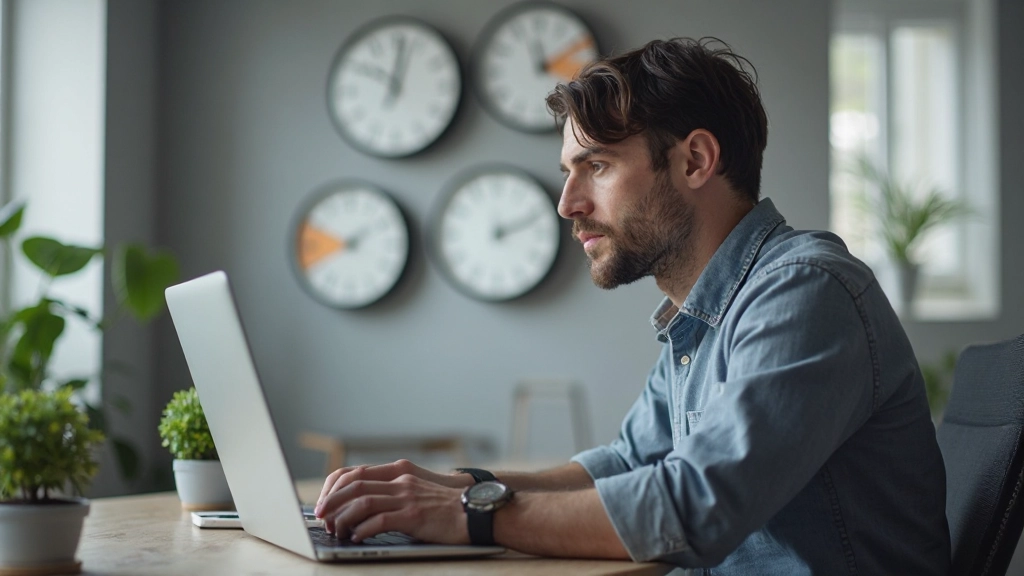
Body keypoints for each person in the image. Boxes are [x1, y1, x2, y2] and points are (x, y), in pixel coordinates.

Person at [313, 37, 951, 574]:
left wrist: (468, 515)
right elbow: (626, 463)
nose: (567, 204)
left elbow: (693, 506)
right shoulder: (703, 315)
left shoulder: (804, 292)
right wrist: (464, 486)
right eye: (568, 171)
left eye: (596, 166)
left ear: (695, 160)